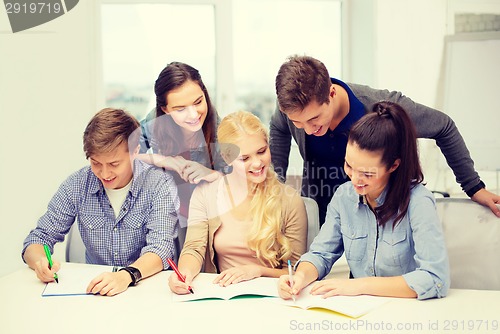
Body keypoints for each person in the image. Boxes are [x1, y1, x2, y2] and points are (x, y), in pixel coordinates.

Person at [271, 55, 500, 225]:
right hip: (323, 217)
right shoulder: (292, 110)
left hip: (381, 221)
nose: (308, 130)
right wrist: (277, 186)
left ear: (331, 94)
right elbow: (279, 127)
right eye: (299, 123)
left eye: (315, 119)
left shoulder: (381, 106)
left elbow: (444, 126)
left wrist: (473, 187)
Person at [278, 101, 450, 301]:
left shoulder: (419, 202)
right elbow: (320, 254)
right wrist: (299, 276)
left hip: (406, 310)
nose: (355, 179)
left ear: (393, 165)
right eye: (349, 166)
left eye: (367, 173)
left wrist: (360, 286)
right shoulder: (344, 196)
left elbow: (435, 278)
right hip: (360, 312)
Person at [22, 108, 179, 296]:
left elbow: (161, 248)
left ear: (135, 151)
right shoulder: (77, 184)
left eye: (114, 164)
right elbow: (38, 238)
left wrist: (126, 276)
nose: (105, 174)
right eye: (96, 163)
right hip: (97, 292)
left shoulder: (159, 184)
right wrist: (40, 260)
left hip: (147, 288)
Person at [169, 111, 308, 294]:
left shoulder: (289, 201)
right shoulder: (206, 195)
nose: (257, 163)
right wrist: (184, 273)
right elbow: (194, 248)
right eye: (245, 158)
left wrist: (257, 272)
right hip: (224, 295)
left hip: (273, 297)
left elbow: (295, 271)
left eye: (262, 151)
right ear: (227, 158)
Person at [138, 62, 227, 250]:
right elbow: (126, 157)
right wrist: (166, 161)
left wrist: (212, 174)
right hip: (166, 219)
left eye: (198, 102)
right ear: (165, 110)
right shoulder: (153, 123)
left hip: (209, 220)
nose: (194, 114)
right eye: (180, 109)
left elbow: (240, 180)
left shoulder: (220, 129)